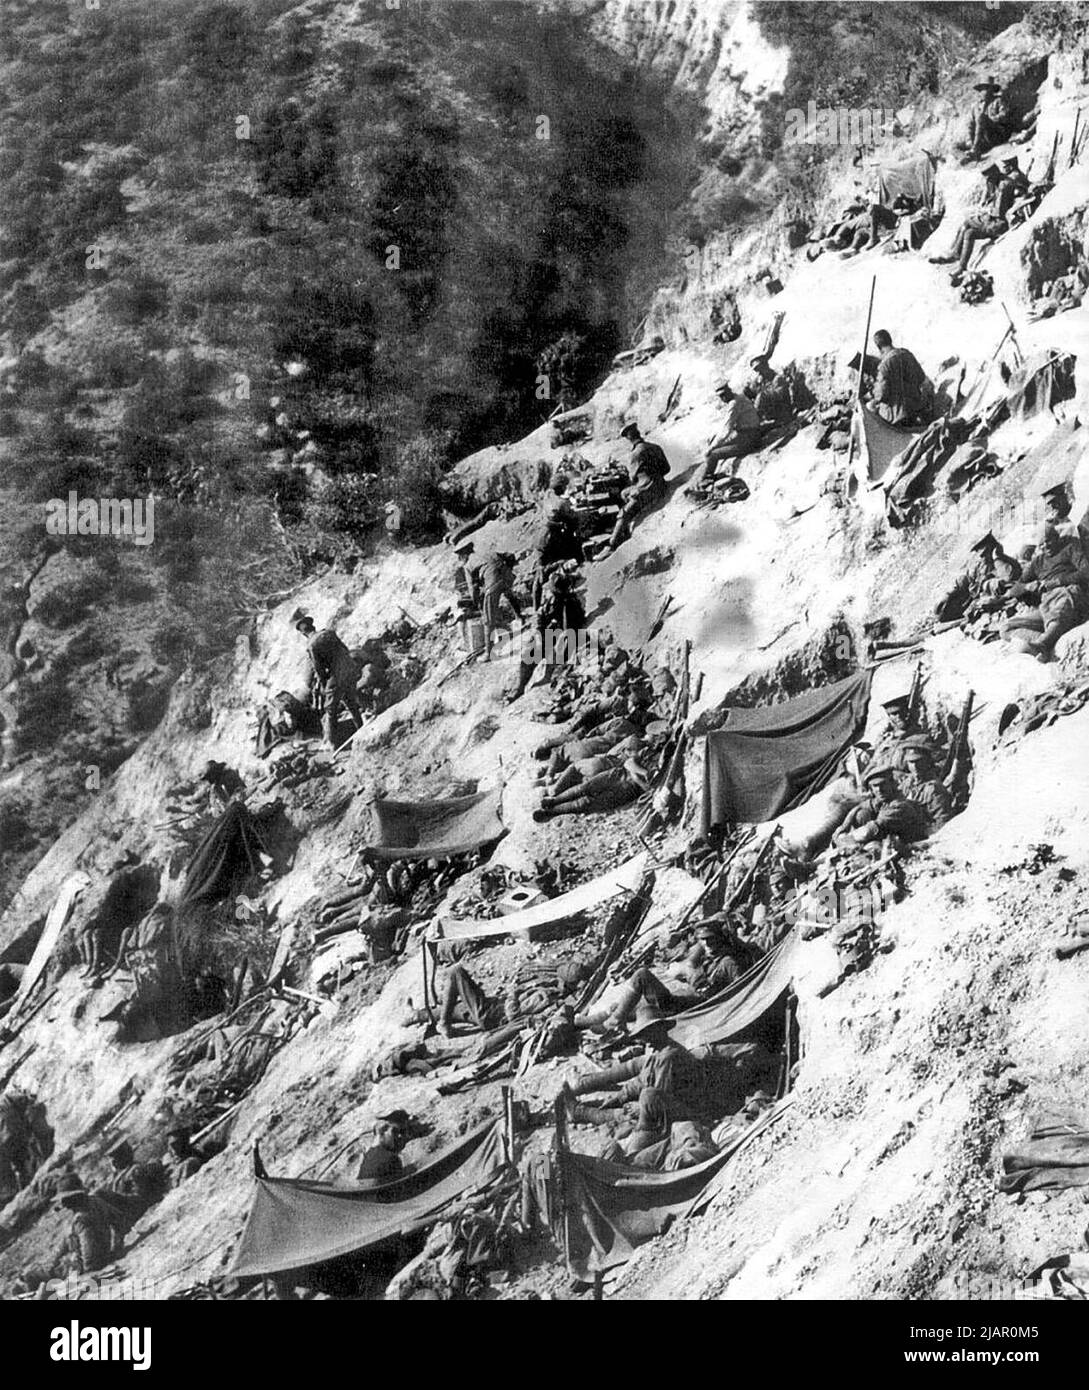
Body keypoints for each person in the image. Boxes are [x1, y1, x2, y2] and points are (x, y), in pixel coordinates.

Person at [1004, 523, 1089, 661]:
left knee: (1064, 598)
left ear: (1056, 538)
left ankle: (1043, 644)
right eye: (1042, 545)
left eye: (1049, 541)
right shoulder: (1037, 562)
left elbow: (1086, 572)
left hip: (1070, 594)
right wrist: (1027, 587)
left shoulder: (1070, 547)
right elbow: (1016, 587)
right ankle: (1043, 641)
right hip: (1047, 605)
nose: (1046, 546)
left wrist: (1057, 582)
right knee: (1007, 628)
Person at [293, 614, 364, 749]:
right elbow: (345, 649)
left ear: (303, 633)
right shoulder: (329, 633)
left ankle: (330, 743)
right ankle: (361, 728)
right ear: (313, 626)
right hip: (350, 668)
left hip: (337, 674)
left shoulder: (311, 645)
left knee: (330, 709)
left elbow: (319, 669)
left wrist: (326, 686)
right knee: (350, 701)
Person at [934, 531, 1022, 627]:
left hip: (985, 603)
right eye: (978, 552)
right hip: (971, 601)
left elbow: (1007, 580)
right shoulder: (981, 564)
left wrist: (997, 558)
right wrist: (949, 594)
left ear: (992, 547)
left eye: (983, 552)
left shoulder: (1005, 564)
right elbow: (966, 578)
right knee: (941, 612)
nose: (980, 556)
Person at [689, 382, 762, 495]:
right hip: (749, 434)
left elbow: (726, 430)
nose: (723, 398)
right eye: (721, 396)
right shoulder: (739, 397)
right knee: (714, 444)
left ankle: (707, 481)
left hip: (749, 439)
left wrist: (712, 447)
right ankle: (708, 476)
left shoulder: (734, 404)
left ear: (729, 391)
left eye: (724, 394)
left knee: (713, 454)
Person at [533, 751, 651, 821]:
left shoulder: (665, 773)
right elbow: (629, 762)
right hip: (619, 774)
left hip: (629, 791)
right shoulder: (649, 752)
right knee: (585, 787)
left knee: (586, 803)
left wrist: (636, 776)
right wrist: (643, 773)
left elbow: (649, 790)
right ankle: (554, 800)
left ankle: (553, 812)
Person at [607, 423, 671, 549]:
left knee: (624, 512)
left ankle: (612, 544)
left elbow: (632, 478)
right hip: (660, 483)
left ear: (629, 438)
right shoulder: (655, 447)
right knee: (625, 493)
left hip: (648, 489)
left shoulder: (635, 454)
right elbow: (666, 469)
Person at [834, 765, 933, 845]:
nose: (879, 790)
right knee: (861, 814)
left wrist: (845, 839)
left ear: (892, 784)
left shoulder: (899, 805)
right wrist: (844, 827)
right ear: (871, 789)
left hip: (913, 842)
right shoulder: (883, 800)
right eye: (875, 786)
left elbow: (871, 829)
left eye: (883, 784)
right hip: (890, 838)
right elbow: (860, 806)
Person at [869, 329, 927, 426]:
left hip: (896, 416)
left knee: (871, 409)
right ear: (890, 340)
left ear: (879, 347)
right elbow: (921, 377)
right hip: (915, 408)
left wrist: (873, 395)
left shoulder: (884, 365)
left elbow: (882, 395)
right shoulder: (908, 354)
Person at [896, 738, 955, 832]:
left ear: (927, 762)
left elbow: (943, 822)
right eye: (911, 762)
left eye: (919, 761)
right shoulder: (907, 783)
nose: (915, 766)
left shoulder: (934, 789)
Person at [473, 551, 522, 660]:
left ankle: (488, 653)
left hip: (492, 582)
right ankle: (520, 618)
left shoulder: (468, 565)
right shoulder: (485, 554)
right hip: (505, 574)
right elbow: (510, 555)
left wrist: (475, 602)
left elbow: (473, 589)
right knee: (509, 594)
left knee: (488, 619)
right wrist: (508, 570)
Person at [60, 1191, 115, 1276]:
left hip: (89, 1263)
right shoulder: (97, 1201)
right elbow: (119, 1220)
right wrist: (117, 1246)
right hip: (105, 1252)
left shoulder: (81, 1220)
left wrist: (88, 1269)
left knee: (35, 1276)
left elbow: (87, 1247)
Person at [355, 1111, 410, 1182]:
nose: (399, 1136)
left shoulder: (367, 1157)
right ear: (383, 1132)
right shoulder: (391, 1159)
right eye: (395, 1132)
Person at [1042, 483, 1089, 559]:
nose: (1053, 507)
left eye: (1055, 502)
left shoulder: (1079, 512)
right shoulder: (1052, 522)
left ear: (1064, 498)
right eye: (1050, 504)